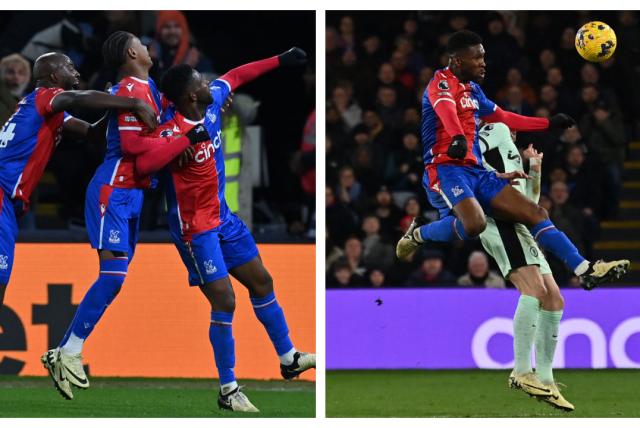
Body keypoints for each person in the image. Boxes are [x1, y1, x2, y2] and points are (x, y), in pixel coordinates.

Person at [133, 49, 315, 412]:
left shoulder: (213, 102)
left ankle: (288, 356)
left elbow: (236, 74)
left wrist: (280, 60)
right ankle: (228, 389)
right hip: (194, 230)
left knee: (262, 282)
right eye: (200, 81)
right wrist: (181, 144)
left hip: (223, 218)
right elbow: (144, 163)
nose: (208, 83)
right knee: (225, 300)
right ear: (189, 95)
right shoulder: (169, 130)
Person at [41, 31, 209, 400]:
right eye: (142, 44)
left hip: (131, 194)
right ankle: (68, 351)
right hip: (113, 190)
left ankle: (66, 351)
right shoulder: (131, 89)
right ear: (133, 52)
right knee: (113, 276)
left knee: (117, 277)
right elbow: (133, 145)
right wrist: (176, 141)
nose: (149, 48)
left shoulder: (146, 91)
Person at [396, 29, 628, 290]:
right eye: (478, 58)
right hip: (446, 169)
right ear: (458, 61)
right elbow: (446, 109)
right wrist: (458, 137)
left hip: (476, 171)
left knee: (536, 212)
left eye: (484, 57)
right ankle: (418, 234)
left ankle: (585, 268)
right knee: (474, 224)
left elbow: (504, 117)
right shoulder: (440, 83)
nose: (484, 63)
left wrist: (548, 123)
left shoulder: (473, 91)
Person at [0, 51, 158, 310]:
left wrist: (110, 110)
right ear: (54, 76)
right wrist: (131, 103)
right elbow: (78, 97)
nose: (76, 72)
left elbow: (93, 135)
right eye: (69, 67)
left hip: (8, 202)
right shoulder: (45, 97)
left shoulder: (43, 109)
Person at [478, 121, 573, 410]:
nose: (515, 133)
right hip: (499, 222)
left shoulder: (510, 152)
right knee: (533, 290)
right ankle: (521, 370)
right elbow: (470, 161)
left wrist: (534, 168)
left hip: (519, 225)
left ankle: (545, 378)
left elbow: (528, 201)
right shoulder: (489, 133)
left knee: (554, 298)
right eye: (513, 126)